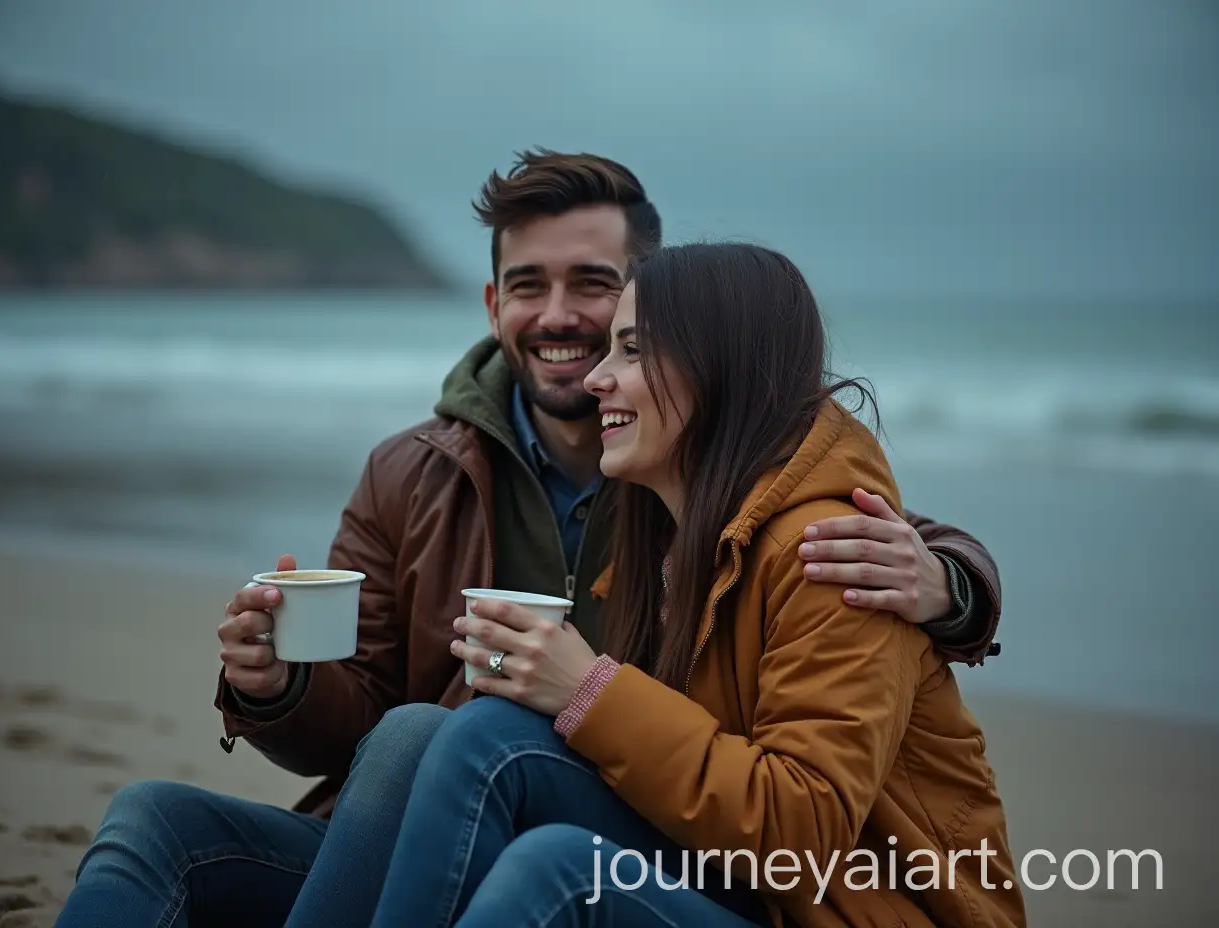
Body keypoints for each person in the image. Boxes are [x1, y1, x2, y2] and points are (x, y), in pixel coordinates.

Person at [55, 152, 1003, 927]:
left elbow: (862, 541)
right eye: (527, 285)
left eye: (598, 292)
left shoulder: (732, 498)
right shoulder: (413, 472)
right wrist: (281, 684)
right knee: (166, 814)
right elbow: (361, 718)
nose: (564, 324)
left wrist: (954, 586)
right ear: (492, 305)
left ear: (678, 323)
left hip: (645, 840)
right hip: (424, 837)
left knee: (482, 757)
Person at [367, 242, 1024, 927]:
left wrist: (588, 690)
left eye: (632, 350)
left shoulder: (839, 555)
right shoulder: (659, 543)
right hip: (738, 881)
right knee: (424, 735)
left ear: (719, 369)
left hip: (844, 908)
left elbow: (801, 834)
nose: (597, 378)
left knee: (555, 864)